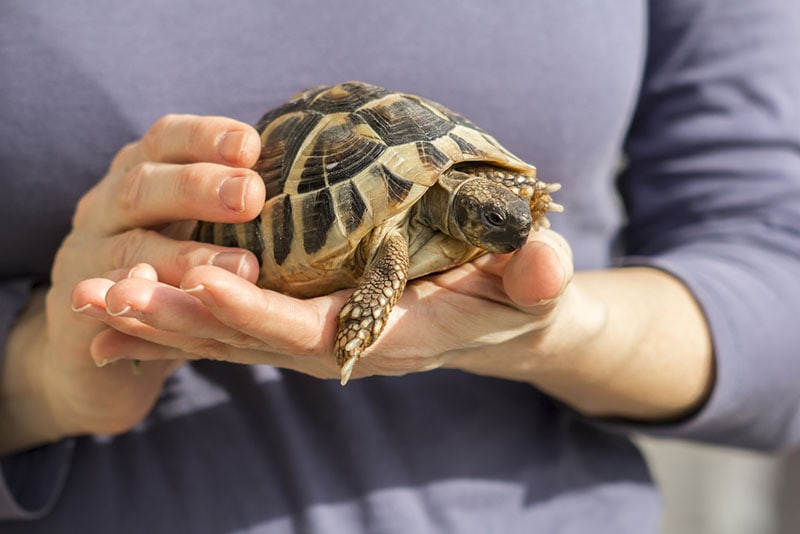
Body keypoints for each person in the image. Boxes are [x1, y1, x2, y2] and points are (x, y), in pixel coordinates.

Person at [1, 1, 799, 532]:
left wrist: (556, 331)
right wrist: (32, 377)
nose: (505, 232)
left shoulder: (492, 202)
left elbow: (775, 277)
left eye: (508, 218)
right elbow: (395, 246)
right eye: (492, 220)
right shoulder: (397, 231)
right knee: (385, 253)